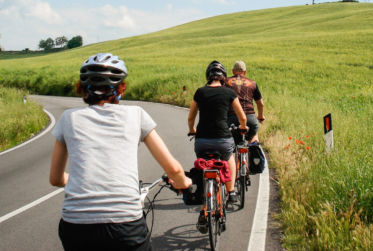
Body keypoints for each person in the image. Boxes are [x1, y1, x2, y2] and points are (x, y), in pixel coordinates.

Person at [49, 52, 192, 251]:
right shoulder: (136, 115)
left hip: (76, 227)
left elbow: (55, 179)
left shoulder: (68, 119)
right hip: (124, 225)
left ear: (83, 89)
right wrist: (186, 184)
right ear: (121, 88)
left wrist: (78, 180)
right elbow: (174, 170)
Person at [187, 60, 248, 204]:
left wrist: (192, 130)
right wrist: (243, 126)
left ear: (208, 76)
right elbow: (242, 117)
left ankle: (204, 195)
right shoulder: (229, 92)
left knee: (204, 164)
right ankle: (231, 191)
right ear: (224, 77)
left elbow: (191, 117)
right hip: (223, 141)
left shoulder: (200, 92)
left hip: (201, 141)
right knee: (230, 157)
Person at [225, 60, 265, 144]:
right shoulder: (252, 83)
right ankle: (254, 148)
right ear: (245, 72)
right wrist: (260, 116)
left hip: (231, 117)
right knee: (254, 134)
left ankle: (229, 155)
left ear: (233, 71)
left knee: (228, 143)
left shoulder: (225, 82)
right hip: (249, 117)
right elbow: (260, 103)